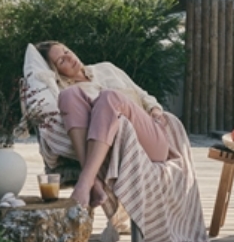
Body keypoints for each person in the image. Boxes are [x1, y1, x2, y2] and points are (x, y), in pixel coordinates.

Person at [35, 41, 171, 210]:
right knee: (68, 95)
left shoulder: (107, 68)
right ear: (55, 71)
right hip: (114, 150)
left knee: (109, 97)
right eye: (62, 61)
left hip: (149, 141)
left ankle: (85, 183)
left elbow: (143, 95)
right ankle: (94, 181)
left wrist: (156, 110)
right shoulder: (66, 92)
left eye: (67, 51)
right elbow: (41, 82)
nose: (70, 58)